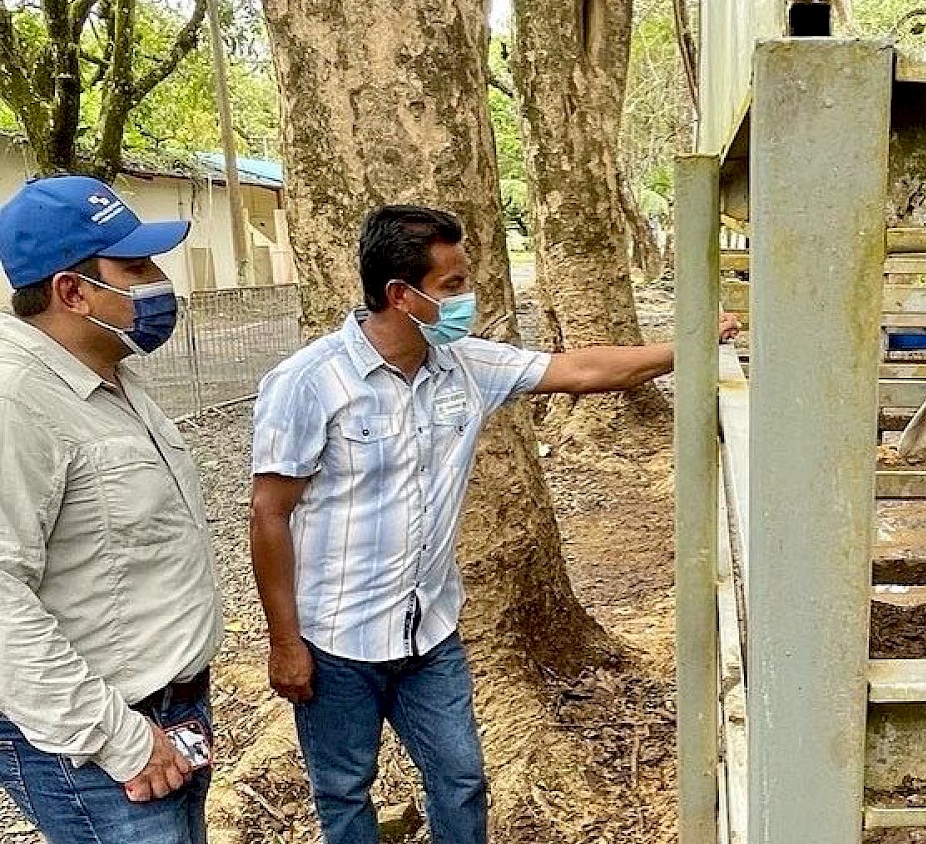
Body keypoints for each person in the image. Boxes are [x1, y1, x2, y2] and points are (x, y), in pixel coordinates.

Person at [249, 204, 737, 844]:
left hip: (431, 631)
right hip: (336, 640)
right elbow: (268, 512)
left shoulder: (467, 365)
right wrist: (286, 642)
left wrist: (689, 346)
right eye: (452, 286)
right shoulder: (308, 383)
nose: (468, 299)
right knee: (343, 792)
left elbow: (582, 370)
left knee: (461, 779)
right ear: (401, 295)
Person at [0, 176, 224, 844]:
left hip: (169, 712)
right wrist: (120, 740)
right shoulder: (17, 403)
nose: (159, 283)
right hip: (103, 746)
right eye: (135, 267)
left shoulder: (110, 374)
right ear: (72, 291)